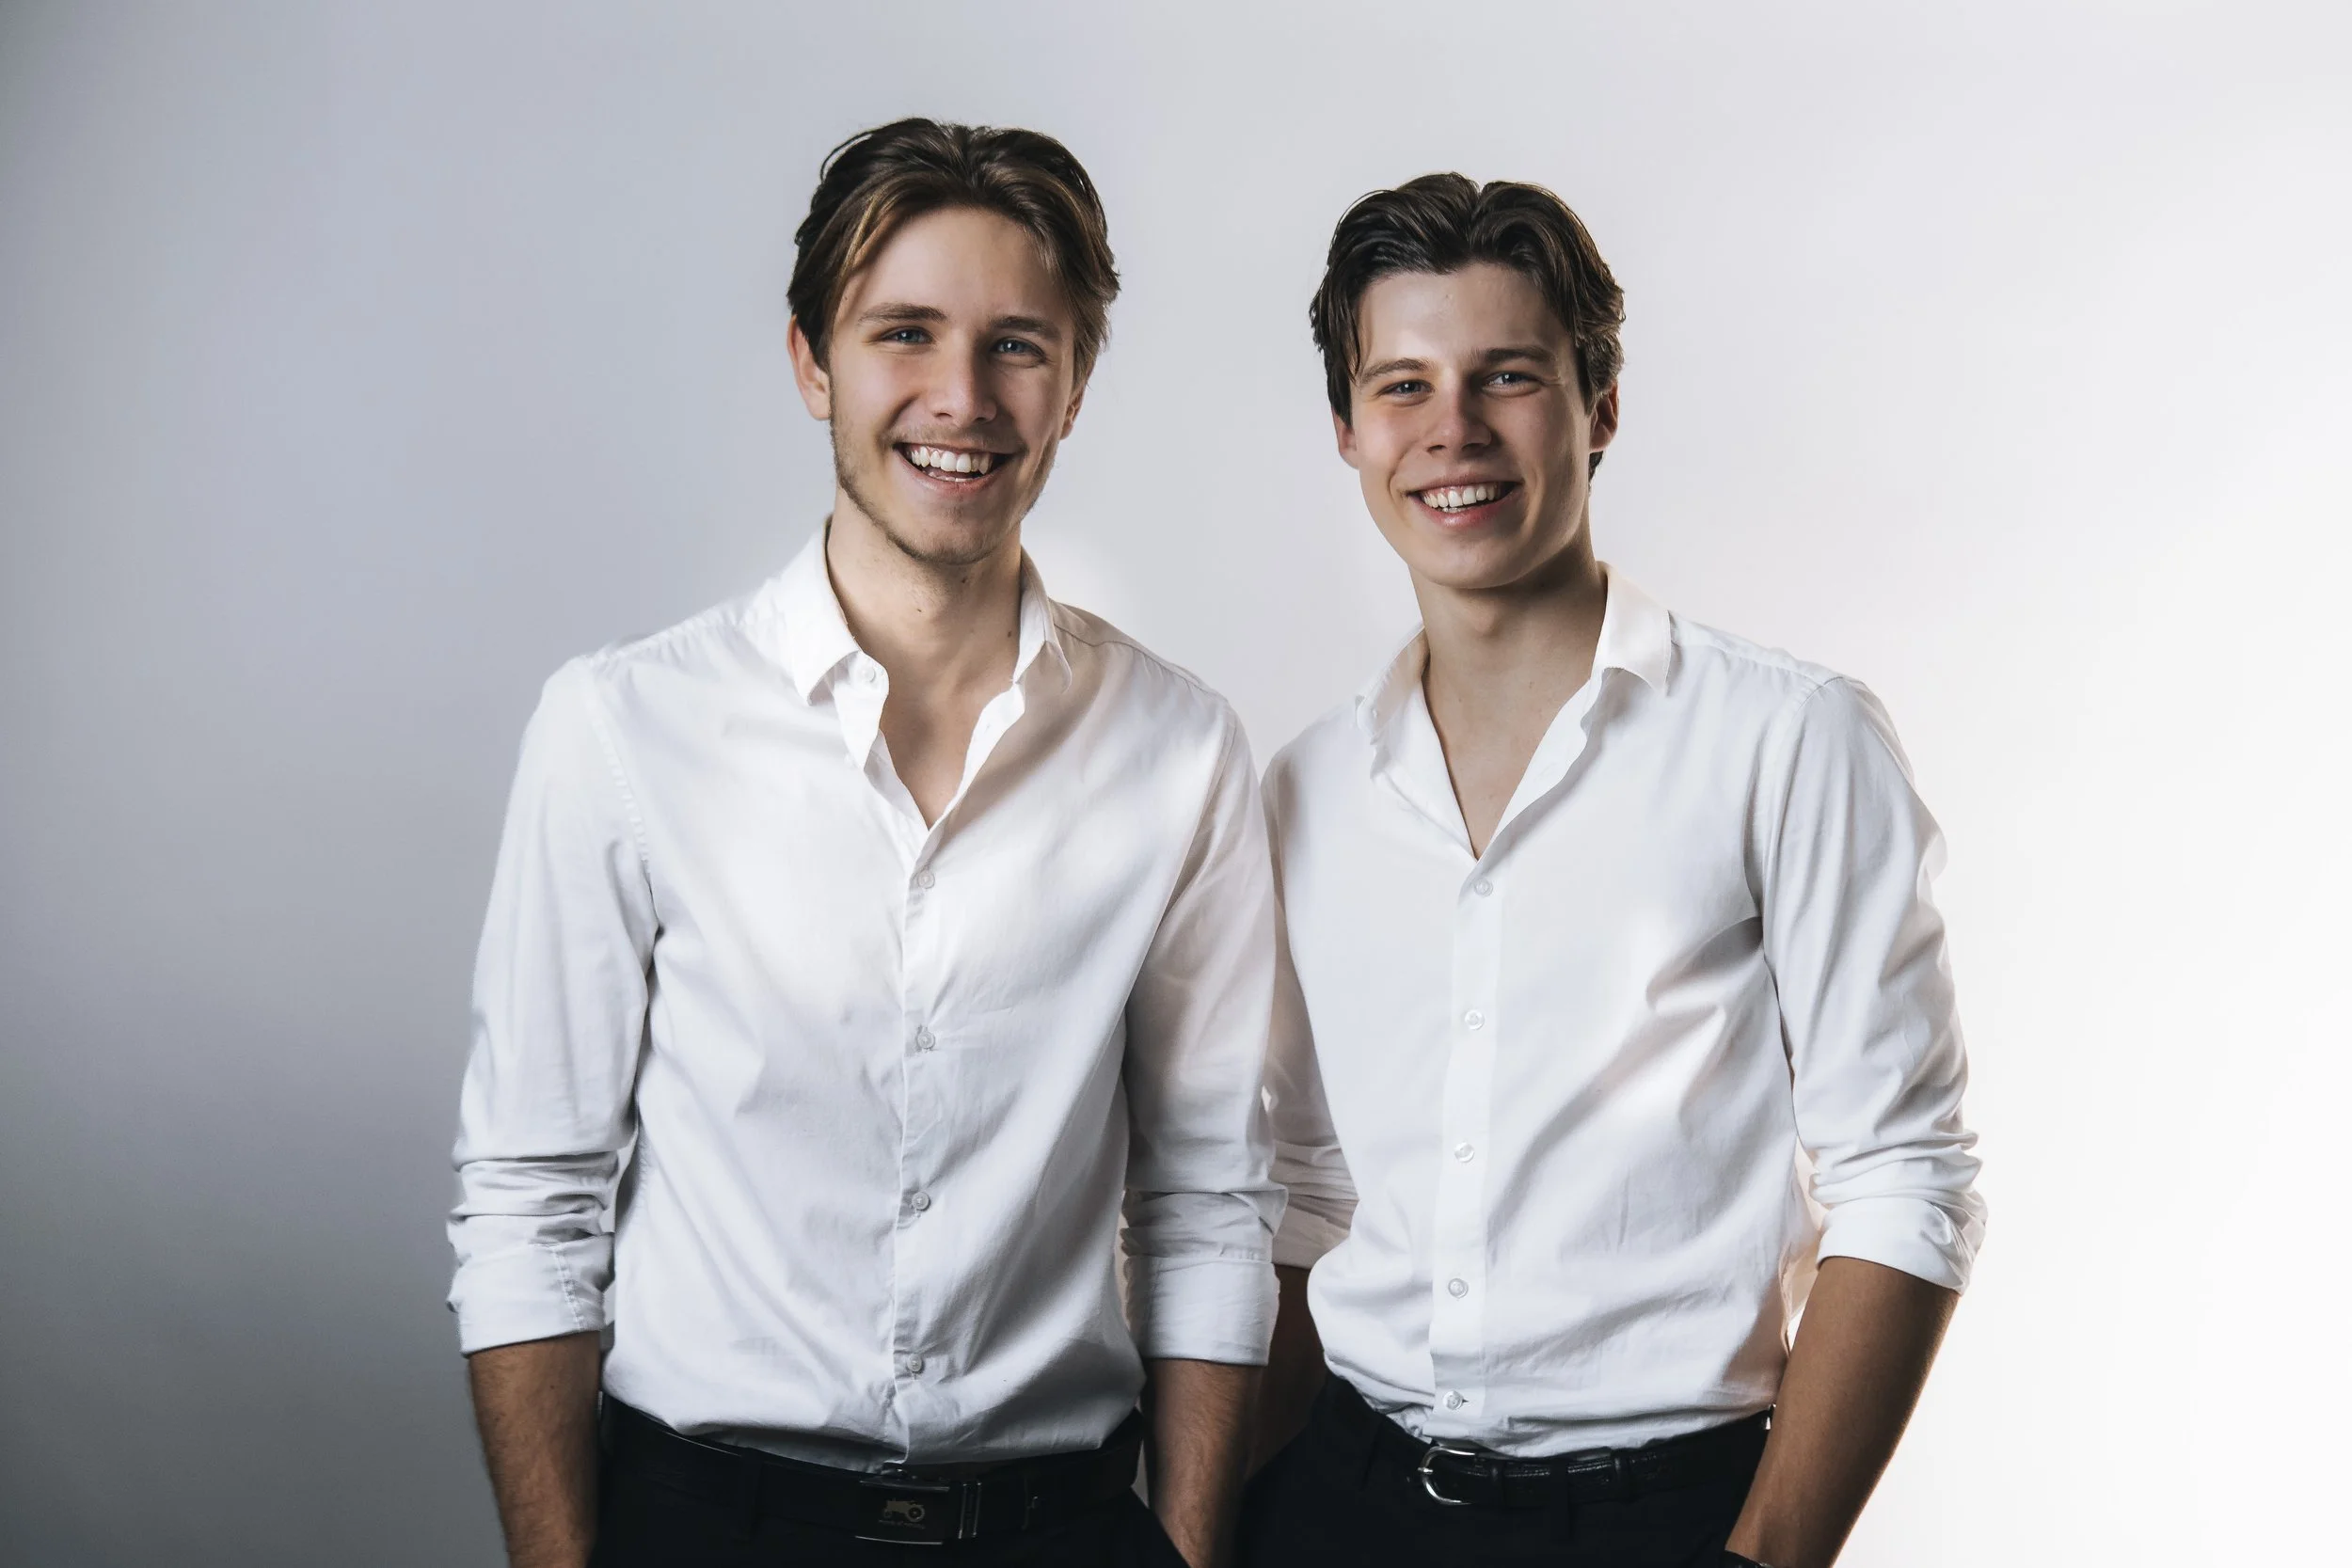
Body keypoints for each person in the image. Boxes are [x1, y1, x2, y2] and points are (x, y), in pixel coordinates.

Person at [448, 119, 1279, 1568]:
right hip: (704, 1523)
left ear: (1076, 384)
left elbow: (1208, 1198)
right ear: (810, 363)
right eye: (905, 333)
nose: (961, 398)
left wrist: (1187, 1554)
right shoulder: (623, 727)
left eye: (1019, 343)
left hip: (1059, 1526)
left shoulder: (1180, 747)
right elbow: (532, 1193)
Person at [1240, 174, 1987, 1568]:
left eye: (1507, 374)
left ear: (1601, 404)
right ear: (1346, 431)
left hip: (1660, 1515)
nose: (1451, 429)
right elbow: (1297, 1194)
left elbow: (1904, 1176)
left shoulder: (1788, 739)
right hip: (1343, 1498)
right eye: (1402, 384)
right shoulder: (1306, 792)